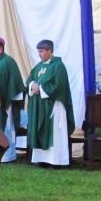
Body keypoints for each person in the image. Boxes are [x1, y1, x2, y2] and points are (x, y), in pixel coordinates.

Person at [26, 39, 75, 167]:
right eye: (39, 52)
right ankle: (42, 159)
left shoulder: (58, 66)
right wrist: (32, 85)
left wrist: (40, 88)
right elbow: (30, 78)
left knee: (54, 133)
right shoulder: (39, 66)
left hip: (54, 105)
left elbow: (60, 86)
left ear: (49, 51)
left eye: (41, 51)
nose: (39, 54)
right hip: (41, 105)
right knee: (41, 129)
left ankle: (56, 160)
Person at [0, 37, 25, 163]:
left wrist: (11, 101)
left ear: (0, 48)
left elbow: (16, 82)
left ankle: (7, 155)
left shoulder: (9, 61)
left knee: (6, 126)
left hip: (5, 104)